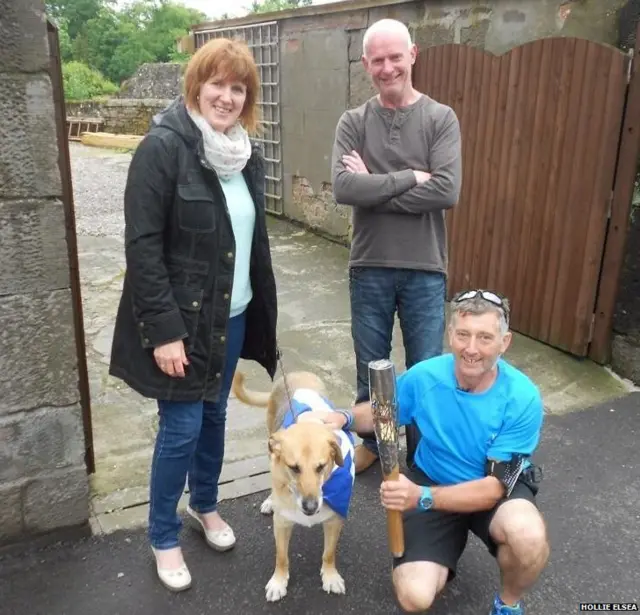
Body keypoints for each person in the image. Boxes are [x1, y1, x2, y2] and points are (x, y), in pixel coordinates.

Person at [108, 38, 278, 592]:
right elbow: (143, 247)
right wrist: (163, 332)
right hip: (181, 327)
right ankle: (162, 534)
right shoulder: (164, 148)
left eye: (238, 87)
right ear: (196, 86)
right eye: (217, 84)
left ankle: (206, 505)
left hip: (231, 317)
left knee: (214, 419)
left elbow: (250, 244)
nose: (226, 97)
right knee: (180, 428)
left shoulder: (242, 153)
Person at [317, 290, 549, 615]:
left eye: (485, 337)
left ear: (504, 342)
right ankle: (439, 550)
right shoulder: (426, 376)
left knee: (527, 536)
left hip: (488, 488)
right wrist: (345, 417)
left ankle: (508, 603)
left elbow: (493, 488)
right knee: (414, 596)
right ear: (450, 335)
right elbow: (384, 410)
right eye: (463, 335)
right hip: (434, 477)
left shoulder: (522, 397)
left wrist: (420, 497)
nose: (471, 348)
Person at [330, 18, 462, 474]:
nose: (387, 68)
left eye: (395, 57)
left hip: (425, 266)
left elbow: (446, 192)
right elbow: (345, 189)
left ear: (413, 54)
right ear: (366, 63)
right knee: (372, 368)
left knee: (426, 371)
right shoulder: (353, 122)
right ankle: (378, 447)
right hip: (369, 265)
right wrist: (408, 177)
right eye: (378, 60)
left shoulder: (440, 118)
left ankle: (421, 455)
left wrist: (375, 184)